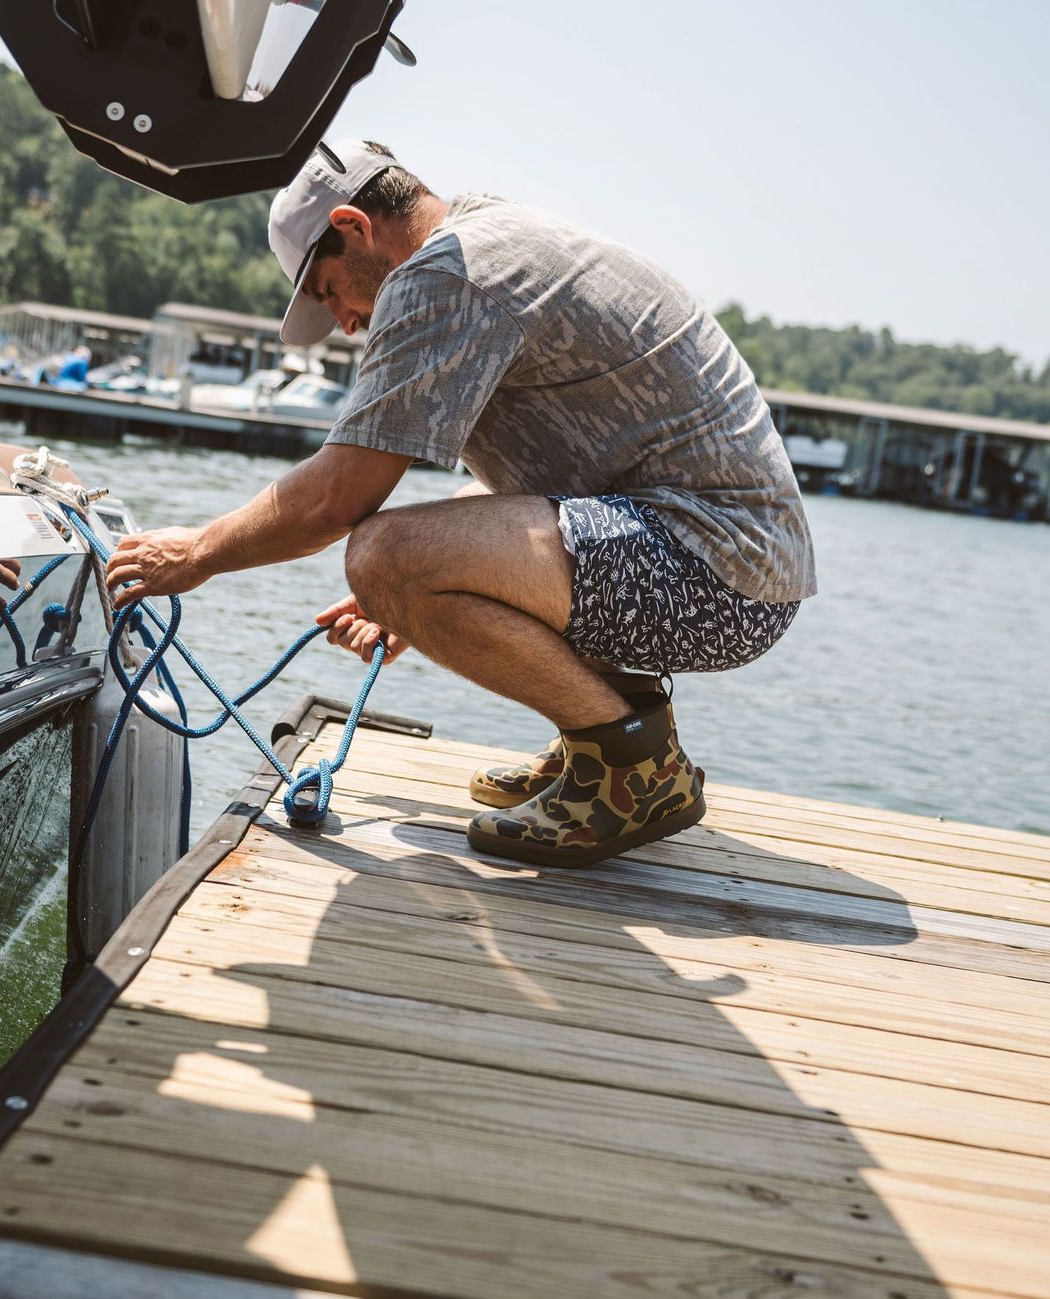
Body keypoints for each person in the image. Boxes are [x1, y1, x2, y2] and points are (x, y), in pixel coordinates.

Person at [105, 139, 816, 866]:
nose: (346, 322)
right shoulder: (488, 233)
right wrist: (438, 590)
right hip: (728, 566)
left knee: (382, 555)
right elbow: (545, 479)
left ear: (353, 227)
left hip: (719, 575)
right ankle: (597, 743)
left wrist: (198, 555)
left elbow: (337, 498)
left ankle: (631, 768)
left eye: (329, 293)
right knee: (403, 566)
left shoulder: (444, 273)